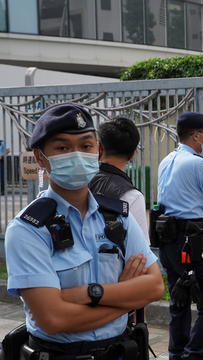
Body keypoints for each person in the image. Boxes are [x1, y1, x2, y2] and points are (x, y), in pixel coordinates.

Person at [4, 103, 163, 359]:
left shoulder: (117, 217)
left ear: (98, 152)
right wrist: (125, 298)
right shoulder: (28, 230)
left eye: (86, 146)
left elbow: (154, 286)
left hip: (120, 351)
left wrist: (90, 293)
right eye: (63, 148)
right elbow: (53, 319)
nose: (77, 155)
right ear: (40, 158)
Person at [157, 111, 203, 360]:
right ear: (196, 136)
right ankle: (193, 355)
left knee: (179, 301)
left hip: (169, 238)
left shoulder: (167, 160)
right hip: (192, 241)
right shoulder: (197, 163)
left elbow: (175, 199)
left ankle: (176, 353)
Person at [90, 117, 148, 243]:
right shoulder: (132, 196)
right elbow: (140, 249)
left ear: (99, 148)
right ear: (133, 154)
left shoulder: (79, 182)